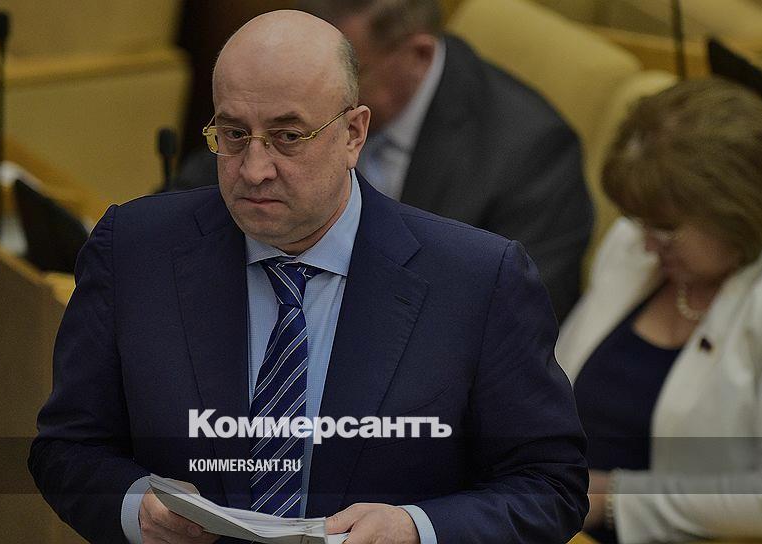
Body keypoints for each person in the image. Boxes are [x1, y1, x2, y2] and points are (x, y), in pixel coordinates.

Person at [29, 10, 587, 544]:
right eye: (234, 134)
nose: (254, 169)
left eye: (288, 136)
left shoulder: (478, 280)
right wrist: (134, 509)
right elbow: (69, 447)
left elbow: (548, 486)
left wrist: (416, 529)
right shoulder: (133, 250)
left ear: (353, 134)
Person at [556, 79, 762, 543]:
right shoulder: (640, 242)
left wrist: (605, 498)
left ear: (735, 214)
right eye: (641, 222)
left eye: (665, 229)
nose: (646, 243)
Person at [176, 0, 593, 323]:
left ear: (418, 55)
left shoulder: (531, 152)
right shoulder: (294, 112)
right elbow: (189, 201)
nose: (324, 92)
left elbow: (519, 317)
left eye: (352, 73)